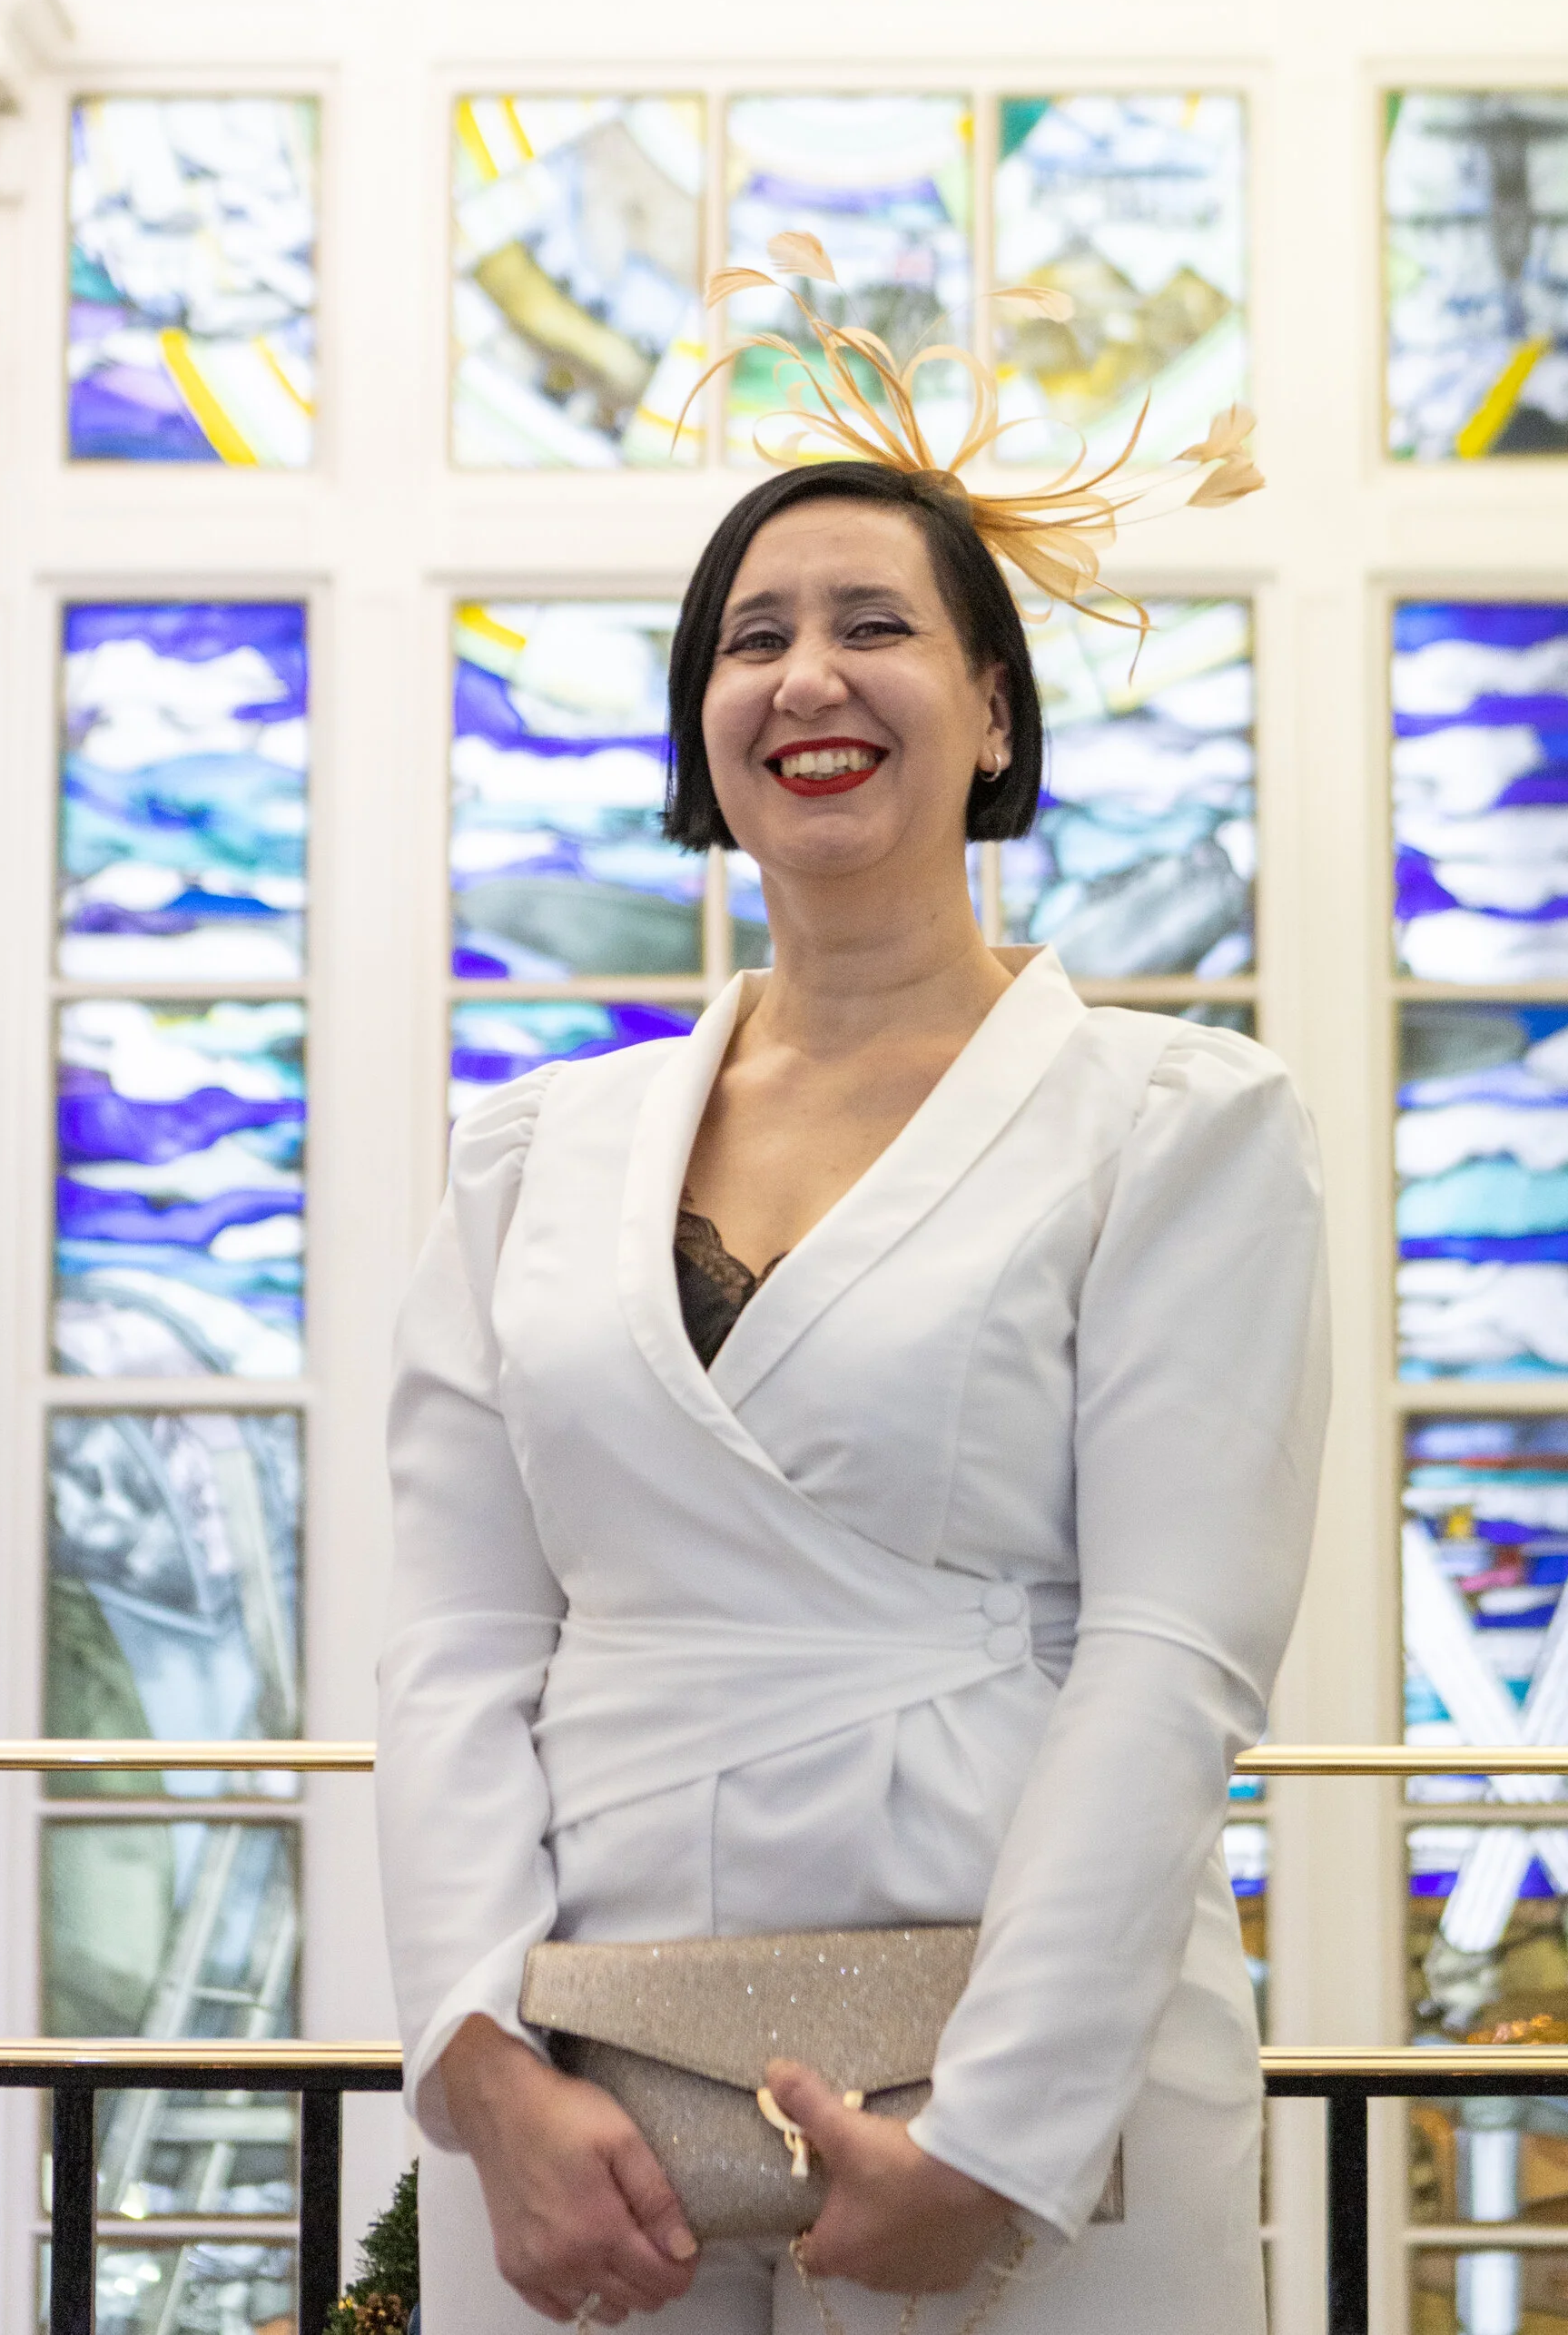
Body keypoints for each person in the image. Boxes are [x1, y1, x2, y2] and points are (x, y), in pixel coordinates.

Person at [378, 249, 1329, 2335]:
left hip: (1017, 2026)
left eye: (873, 625)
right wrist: (476, 2060)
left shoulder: (1174, 1121)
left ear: (993, 707)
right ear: (696, 724)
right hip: (584, 2079)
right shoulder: (530, 1145)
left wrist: (996, 2128)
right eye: (749, 636)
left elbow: (1170, 1650)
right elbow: (452, 1637)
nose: (803, 675)